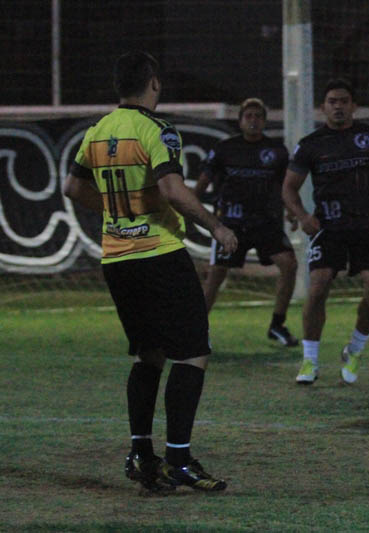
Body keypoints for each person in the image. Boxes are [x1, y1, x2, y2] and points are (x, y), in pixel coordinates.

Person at [62, 51, 237, 494]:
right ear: (154, 83)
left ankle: (142, 454)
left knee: (149, 354)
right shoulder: (155, 129)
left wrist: (118, 210)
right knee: (193, 350)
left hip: (117, 259)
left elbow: (72, 187)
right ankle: (178, 459)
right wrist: (216, 226)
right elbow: (172, 189)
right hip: (158, 253)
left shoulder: (97, 131)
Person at [282, 79, 369, 385]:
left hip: (367, 225)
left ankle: (354, 350)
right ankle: (309, 361)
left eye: (343, 101)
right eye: (331, 101)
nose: (338, 106)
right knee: (318, 285)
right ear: (323, 107)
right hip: (329, 226)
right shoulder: (311, 144)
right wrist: (302, 216)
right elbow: (288, 187)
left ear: (353, 106)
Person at [194, 97, 299, 347]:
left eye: (258, 117)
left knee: (289, 264)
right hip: (231, 224)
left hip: (265, 223)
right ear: (240, 120)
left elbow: (287, 186)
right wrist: (189, 207)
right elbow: (202, 183)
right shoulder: (225, 148)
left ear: (264, 121)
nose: (253, 121)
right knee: (216, 275)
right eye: (249, 116)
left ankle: (277, 325)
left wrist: (292, 211)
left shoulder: (277, 151)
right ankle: (197, 331)